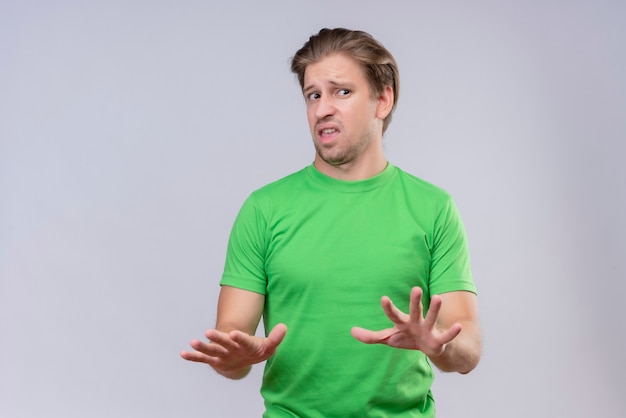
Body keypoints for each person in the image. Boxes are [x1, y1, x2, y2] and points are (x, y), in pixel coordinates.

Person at [181, 28, 482, 417]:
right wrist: (234, 356)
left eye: (341, 91)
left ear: (383, 99)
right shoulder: (264, 209)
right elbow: (231, 341)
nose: (323, 108)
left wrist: (440, 344)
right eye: (313, 94)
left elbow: (468, 350)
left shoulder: (434, 208)